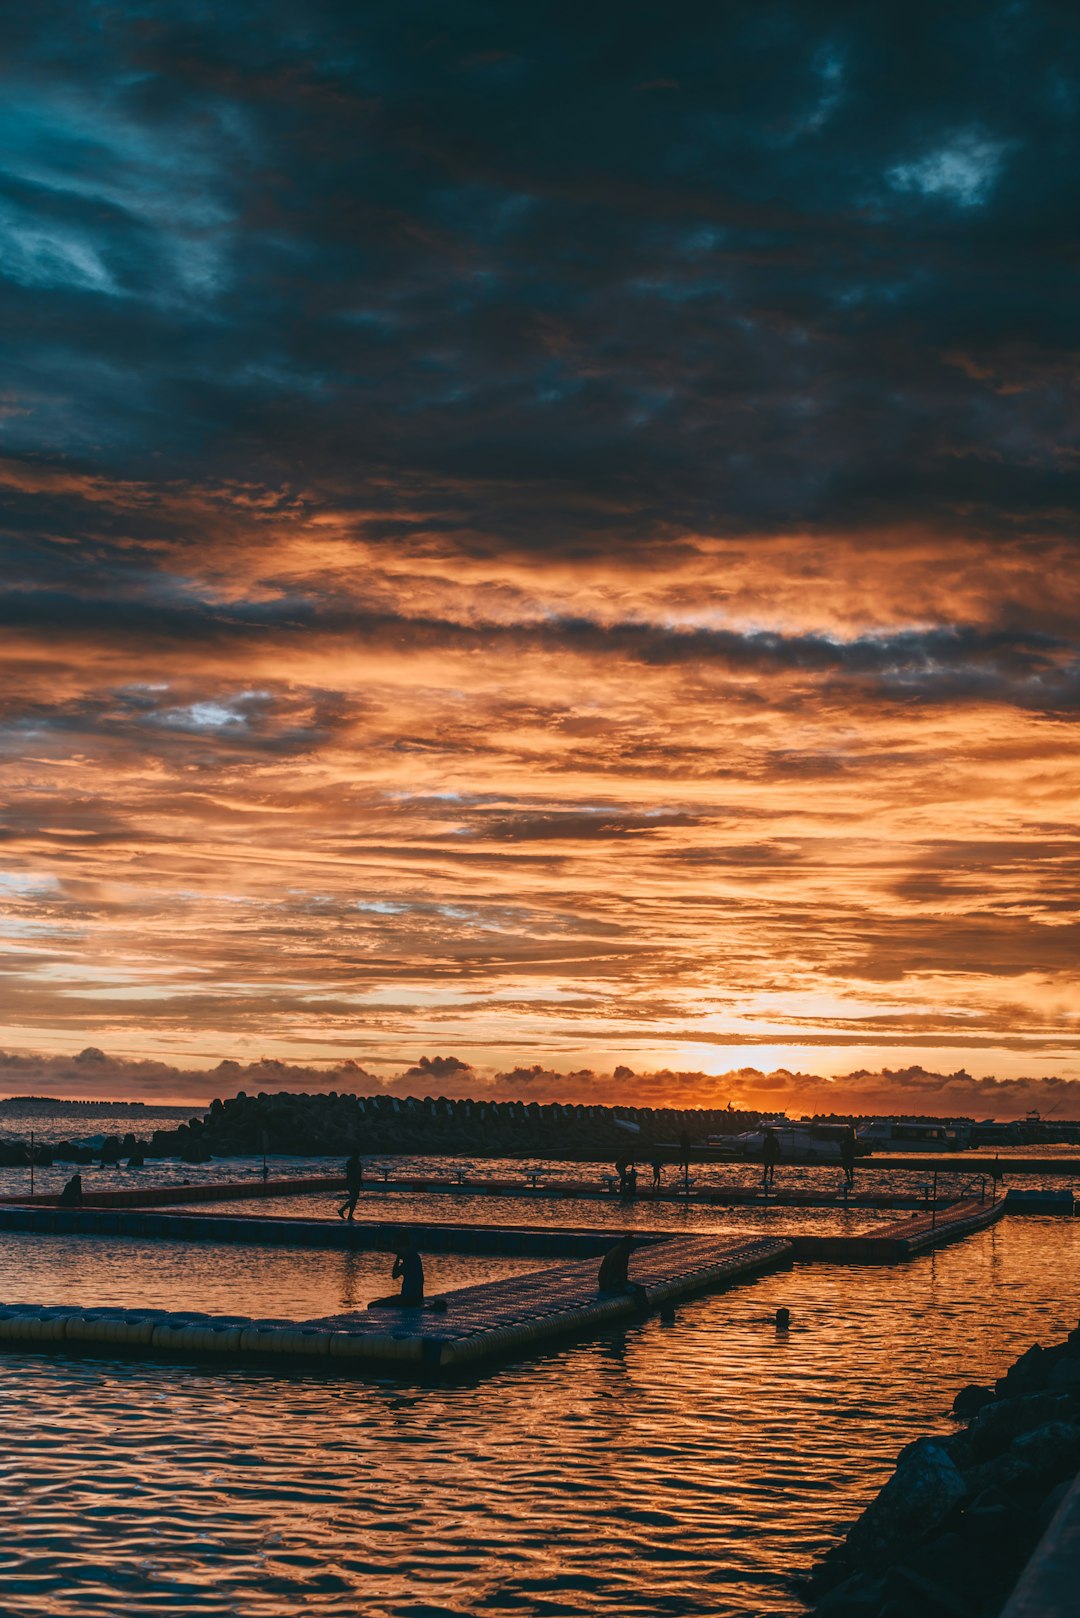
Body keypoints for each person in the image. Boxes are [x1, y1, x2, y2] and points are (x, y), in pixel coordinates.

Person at [597, 1234, 645, 1302]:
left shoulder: (622, 1251)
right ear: (628, 1245)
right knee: (637, 1291)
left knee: (639, 1289)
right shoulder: (620, 1253)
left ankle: (646, 1310)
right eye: (633, 1245)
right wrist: (622, 1285)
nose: (634, 1248)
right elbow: (612, 1272)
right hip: (609, 1283)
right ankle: (646, 1311)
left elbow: (621, 1272)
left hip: (614, 1281)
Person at [337, 1149, 363, 1221]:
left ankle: (350, 1215)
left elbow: (359, 1173)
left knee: (355, 1199)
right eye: (357, 1154)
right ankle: (342, 1210)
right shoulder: (350, 1162)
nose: (358, 1155)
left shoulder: (358, 1162)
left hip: (357, 1182)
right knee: (354, 1197)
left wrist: (360, 1181)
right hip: (351, 1182)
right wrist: (349, 1182)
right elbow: (350, 1173)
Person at [840, 1127, 856, 1191]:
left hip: (847, 1156)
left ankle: (849, 1179)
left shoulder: (847, 1140)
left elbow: (844, 1148)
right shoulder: (851, 1141)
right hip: (849, 1156)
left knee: (847, 1168)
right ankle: (850, 1179)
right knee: (850, 1168)